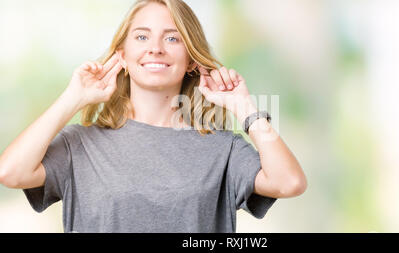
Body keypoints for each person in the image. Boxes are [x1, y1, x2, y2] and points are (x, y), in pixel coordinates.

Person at [0, 0, 307, 233]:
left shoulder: (223, 150)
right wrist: (72, 99)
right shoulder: (78, 145)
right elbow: (11, 172)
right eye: (142, 37)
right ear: (122, 55)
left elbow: (289, 182)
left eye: (172, 39)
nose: (156, 49)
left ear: (189, 59)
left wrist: (244, 107)